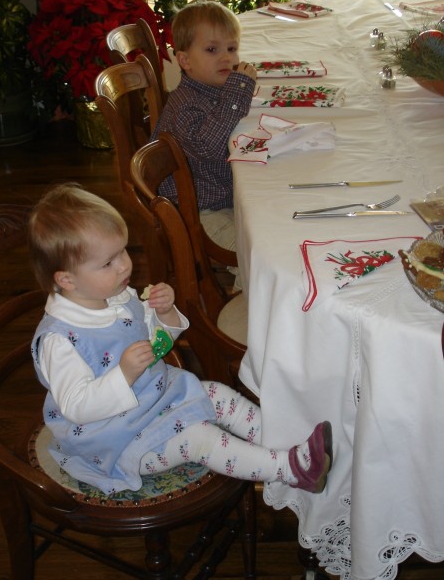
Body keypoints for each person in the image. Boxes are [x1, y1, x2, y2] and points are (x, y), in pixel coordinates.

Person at [28, 184, 333, 496]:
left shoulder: (115, 296)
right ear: (66, 279)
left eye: (123, 251)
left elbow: (157, 345)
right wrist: (124, 374)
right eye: (108, 263)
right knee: (199, 439)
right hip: (116, 441)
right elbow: (77, 406)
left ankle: (291, 441)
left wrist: (164, 315)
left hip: (157, 399)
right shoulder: (60, 341)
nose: (124, 265)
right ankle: (289, 469)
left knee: (216, 393)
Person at [151, 0, 257, 253]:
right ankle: (250, 291)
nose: (226, 58)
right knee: (255, 252)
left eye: (232, 48)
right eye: (212, 49)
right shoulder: (187, 104)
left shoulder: (211, 89)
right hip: (198, 212)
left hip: (219, 194)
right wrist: (238, 92)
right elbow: (208, 146)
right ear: (185, 60)